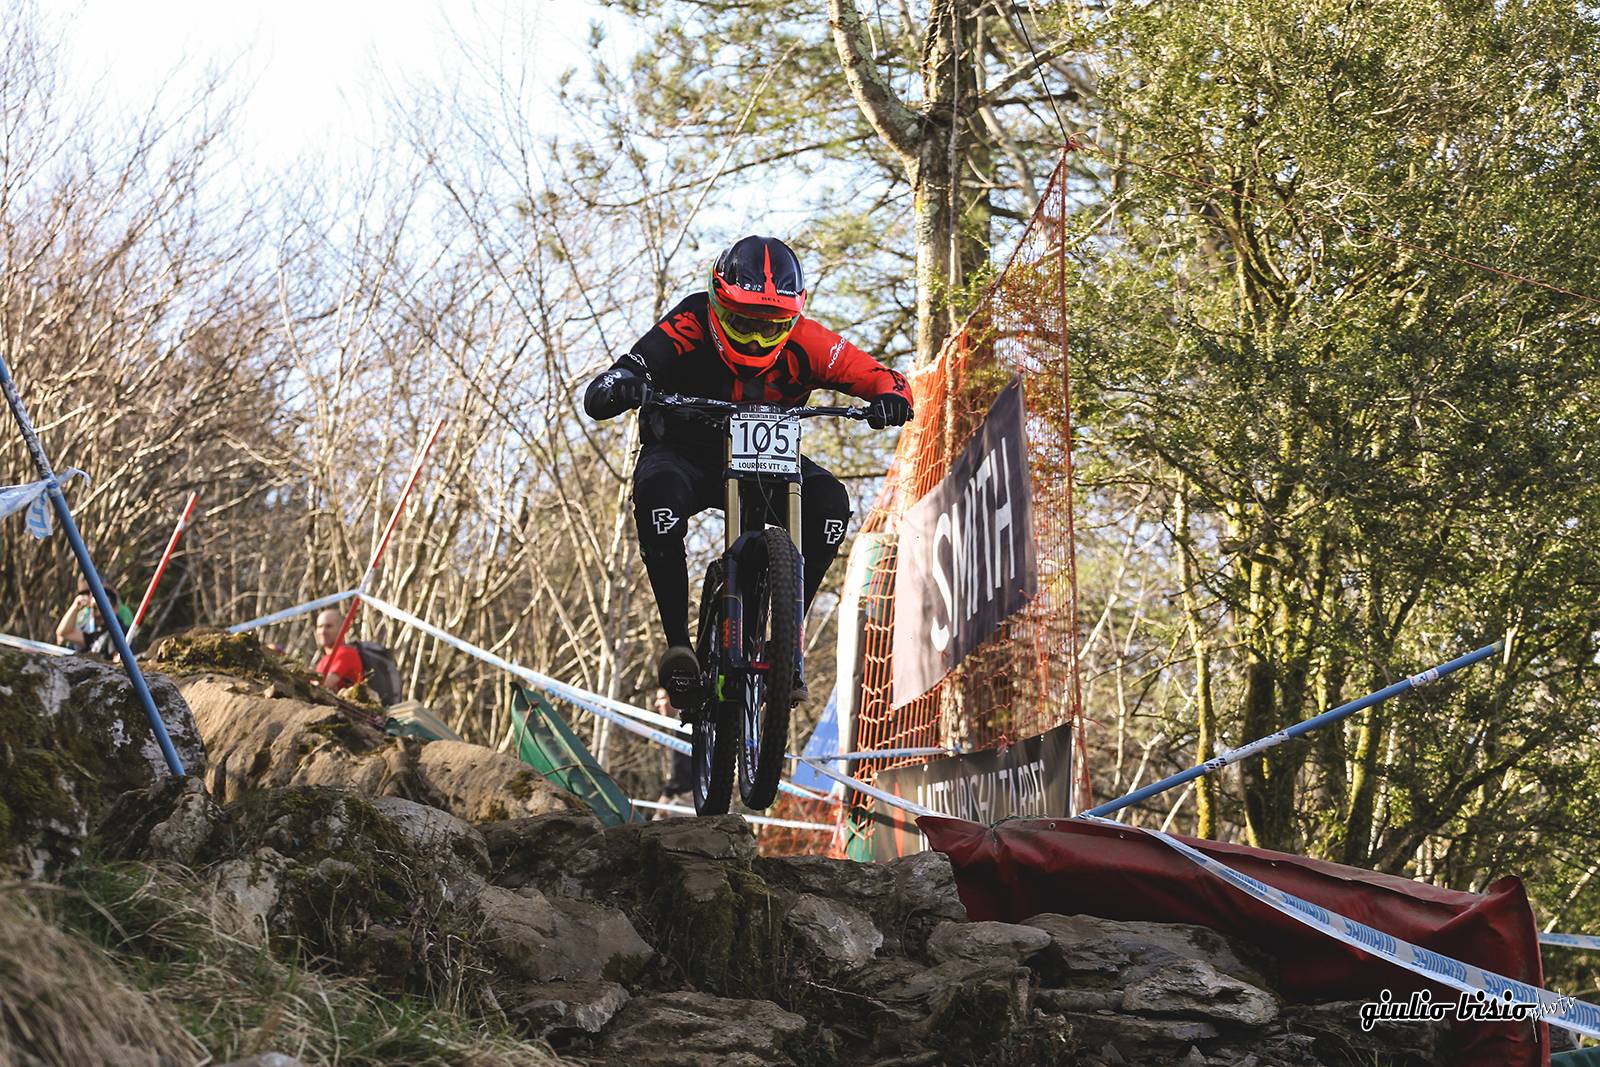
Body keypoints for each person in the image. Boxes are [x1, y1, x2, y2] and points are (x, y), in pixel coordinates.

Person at [583, 235, 914, 703]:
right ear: (718, 304)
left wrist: (891, 397)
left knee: (831, 506)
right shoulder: (690, 322)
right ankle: (679, 644)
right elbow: (627, 369)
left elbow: (882, 376)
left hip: (765, 457)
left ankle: (786, 639)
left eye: (772, 326)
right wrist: (621, 385)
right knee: (658, 496)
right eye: (742, 324)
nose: (757, 339)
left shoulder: (809, 341)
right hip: (684, 453)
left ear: (793, 317)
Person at [55, 579, 127, 655]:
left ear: (115, 608)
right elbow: (64, 633)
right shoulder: (92, 633)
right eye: (94, 608)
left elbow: (119, 661)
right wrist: (75, 606)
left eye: (103, 609)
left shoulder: (121, 633)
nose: (97, 614)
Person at [654, 687, 694, 816]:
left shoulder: (683, 724)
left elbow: (683, 765)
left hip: (692, 797)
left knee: (656, 827)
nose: (656, 704)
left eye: (661, 699)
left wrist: (666, 795)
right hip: (698, 793)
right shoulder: (687, 720)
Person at [313, 608, 364, 692]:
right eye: (320, 627)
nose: (323, 631)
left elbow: (324, 684)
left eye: (328, 626)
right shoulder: (324, 660)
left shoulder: (345, 653)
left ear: (342, 628)